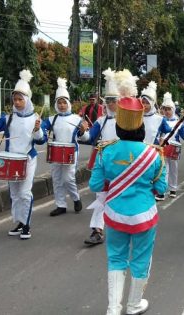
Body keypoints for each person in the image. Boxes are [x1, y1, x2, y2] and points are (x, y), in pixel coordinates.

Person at [89, 88, 166, 315]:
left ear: (119, 126)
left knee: (116, 258)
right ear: (141, 126)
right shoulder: (154, 154)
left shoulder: (105, 151)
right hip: (144, 215)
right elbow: (161, 189)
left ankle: (113, 308)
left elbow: (94, 185)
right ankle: (133, 305)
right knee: (141, 259)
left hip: (114, 214)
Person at [0, 70, 46, 239]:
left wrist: (37, 129)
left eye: (20, 99)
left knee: (25, 193)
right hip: (11, 160)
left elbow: (41, 141)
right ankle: (19, 221)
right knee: (14, 194)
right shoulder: (8, 118)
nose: (17, 102)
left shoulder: (36, 118)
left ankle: (26, 224)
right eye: (15, 99)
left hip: (27, 159)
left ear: (27, 100)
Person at [41, 78, 89, 217]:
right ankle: (60, 205)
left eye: (64, 102)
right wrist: (38, 127)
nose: (61, 105)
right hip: (55, 152)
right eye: (59, 102)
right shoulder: (52, 119)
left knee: (68, 179)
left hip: (70, 153)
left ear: (68, 103)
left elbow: (86, 138)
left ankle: (75, 198)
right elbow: (41, 130)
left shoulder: (76, 119)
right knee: (56, 179)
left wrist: (83, 130)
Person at [84, 68, 121, 246]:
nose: (110, 104)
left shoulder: (128, 120)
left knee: (121, 197)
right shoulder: (101, 121)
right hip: (104, 163)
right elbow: (90, 137)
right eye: (108, 101)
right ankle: (97, 230)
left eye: (113, 100)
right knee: (101, 197)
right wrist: (83, 132)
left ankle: (123, 228)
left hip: (123, 164)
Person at [158, 92, 183, 199]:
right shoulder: (160, 121)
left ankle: (173, 189)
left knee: (174, 169)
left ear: (173, 110)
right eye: (165, 109)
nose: (167, 111)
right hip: (163, 148)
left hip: (174, 149)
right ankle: (162, 191)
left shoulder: (179, 122)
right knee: (164, 170)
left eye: (169, 109)